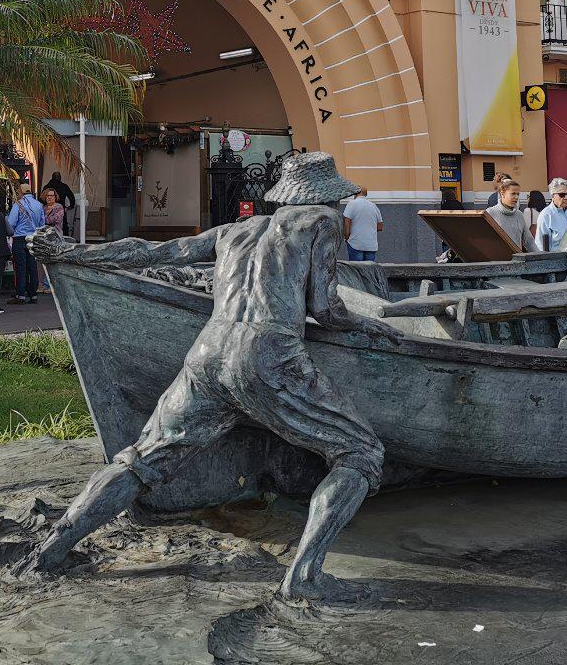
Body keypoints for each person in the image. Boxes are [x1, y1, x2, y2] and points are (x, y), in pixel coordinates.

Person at [31, 151, 405, 601]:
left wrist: (71, 251)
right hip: (269, 354)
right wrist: (374, 325)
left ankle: (53, 548)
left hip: (207, 353)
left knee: (141, 458)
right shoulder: (321, 223)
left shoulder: (236, 230)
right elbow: (326, 309)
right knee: (361, 453)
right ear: (328, 196)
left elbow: (152, 252)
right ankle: (304, 578)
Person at [7, 187, 47, 304]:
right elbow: (41, 224)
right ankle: (33, 294)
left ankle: (21, 294)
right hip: (33, 238)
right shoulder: (39, 205)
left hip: (19, 238)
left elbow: (11, 223)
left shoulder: (18, 205)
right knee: (32, 266)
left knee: (21, 267)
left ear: (20, 192)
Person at [484, 176, 536, 252]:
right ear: (502, 194)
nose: (516, 197)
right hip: (498, 261)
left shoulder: (519, 215)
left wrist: (541, 258)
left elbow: (529, 242)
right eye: (513, 194)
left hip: (517, 261)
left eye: (518, 194)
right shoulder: (490, 213)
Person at [341, 187, 383, 262]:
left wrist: (347, 238)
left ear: (356, 193)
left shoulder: (352, 204)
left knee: (356, 270)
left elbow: (347, 224)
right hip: (371, 244)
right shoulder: (374, 206)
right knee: (369, 271)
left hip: (355, 243)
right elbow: (380, 227)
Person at [534, 179, 567, 252]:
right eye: (562, 195)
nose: (566, 198)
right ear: (553, 196)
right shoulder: (546, 214)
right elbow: (540, 244)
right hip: (556, 258)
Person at [46, 170, 78, 235]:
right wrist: (71, 205)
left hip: (49, 210)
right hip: (61, 209)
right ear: (60, 178)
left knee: (48, 226)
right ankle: (65, 240)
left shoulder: (47, 186)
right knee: (64, 226)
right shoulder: (64, 186)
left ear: (52, 178)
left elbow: (41, 198)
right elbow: (71, 197)